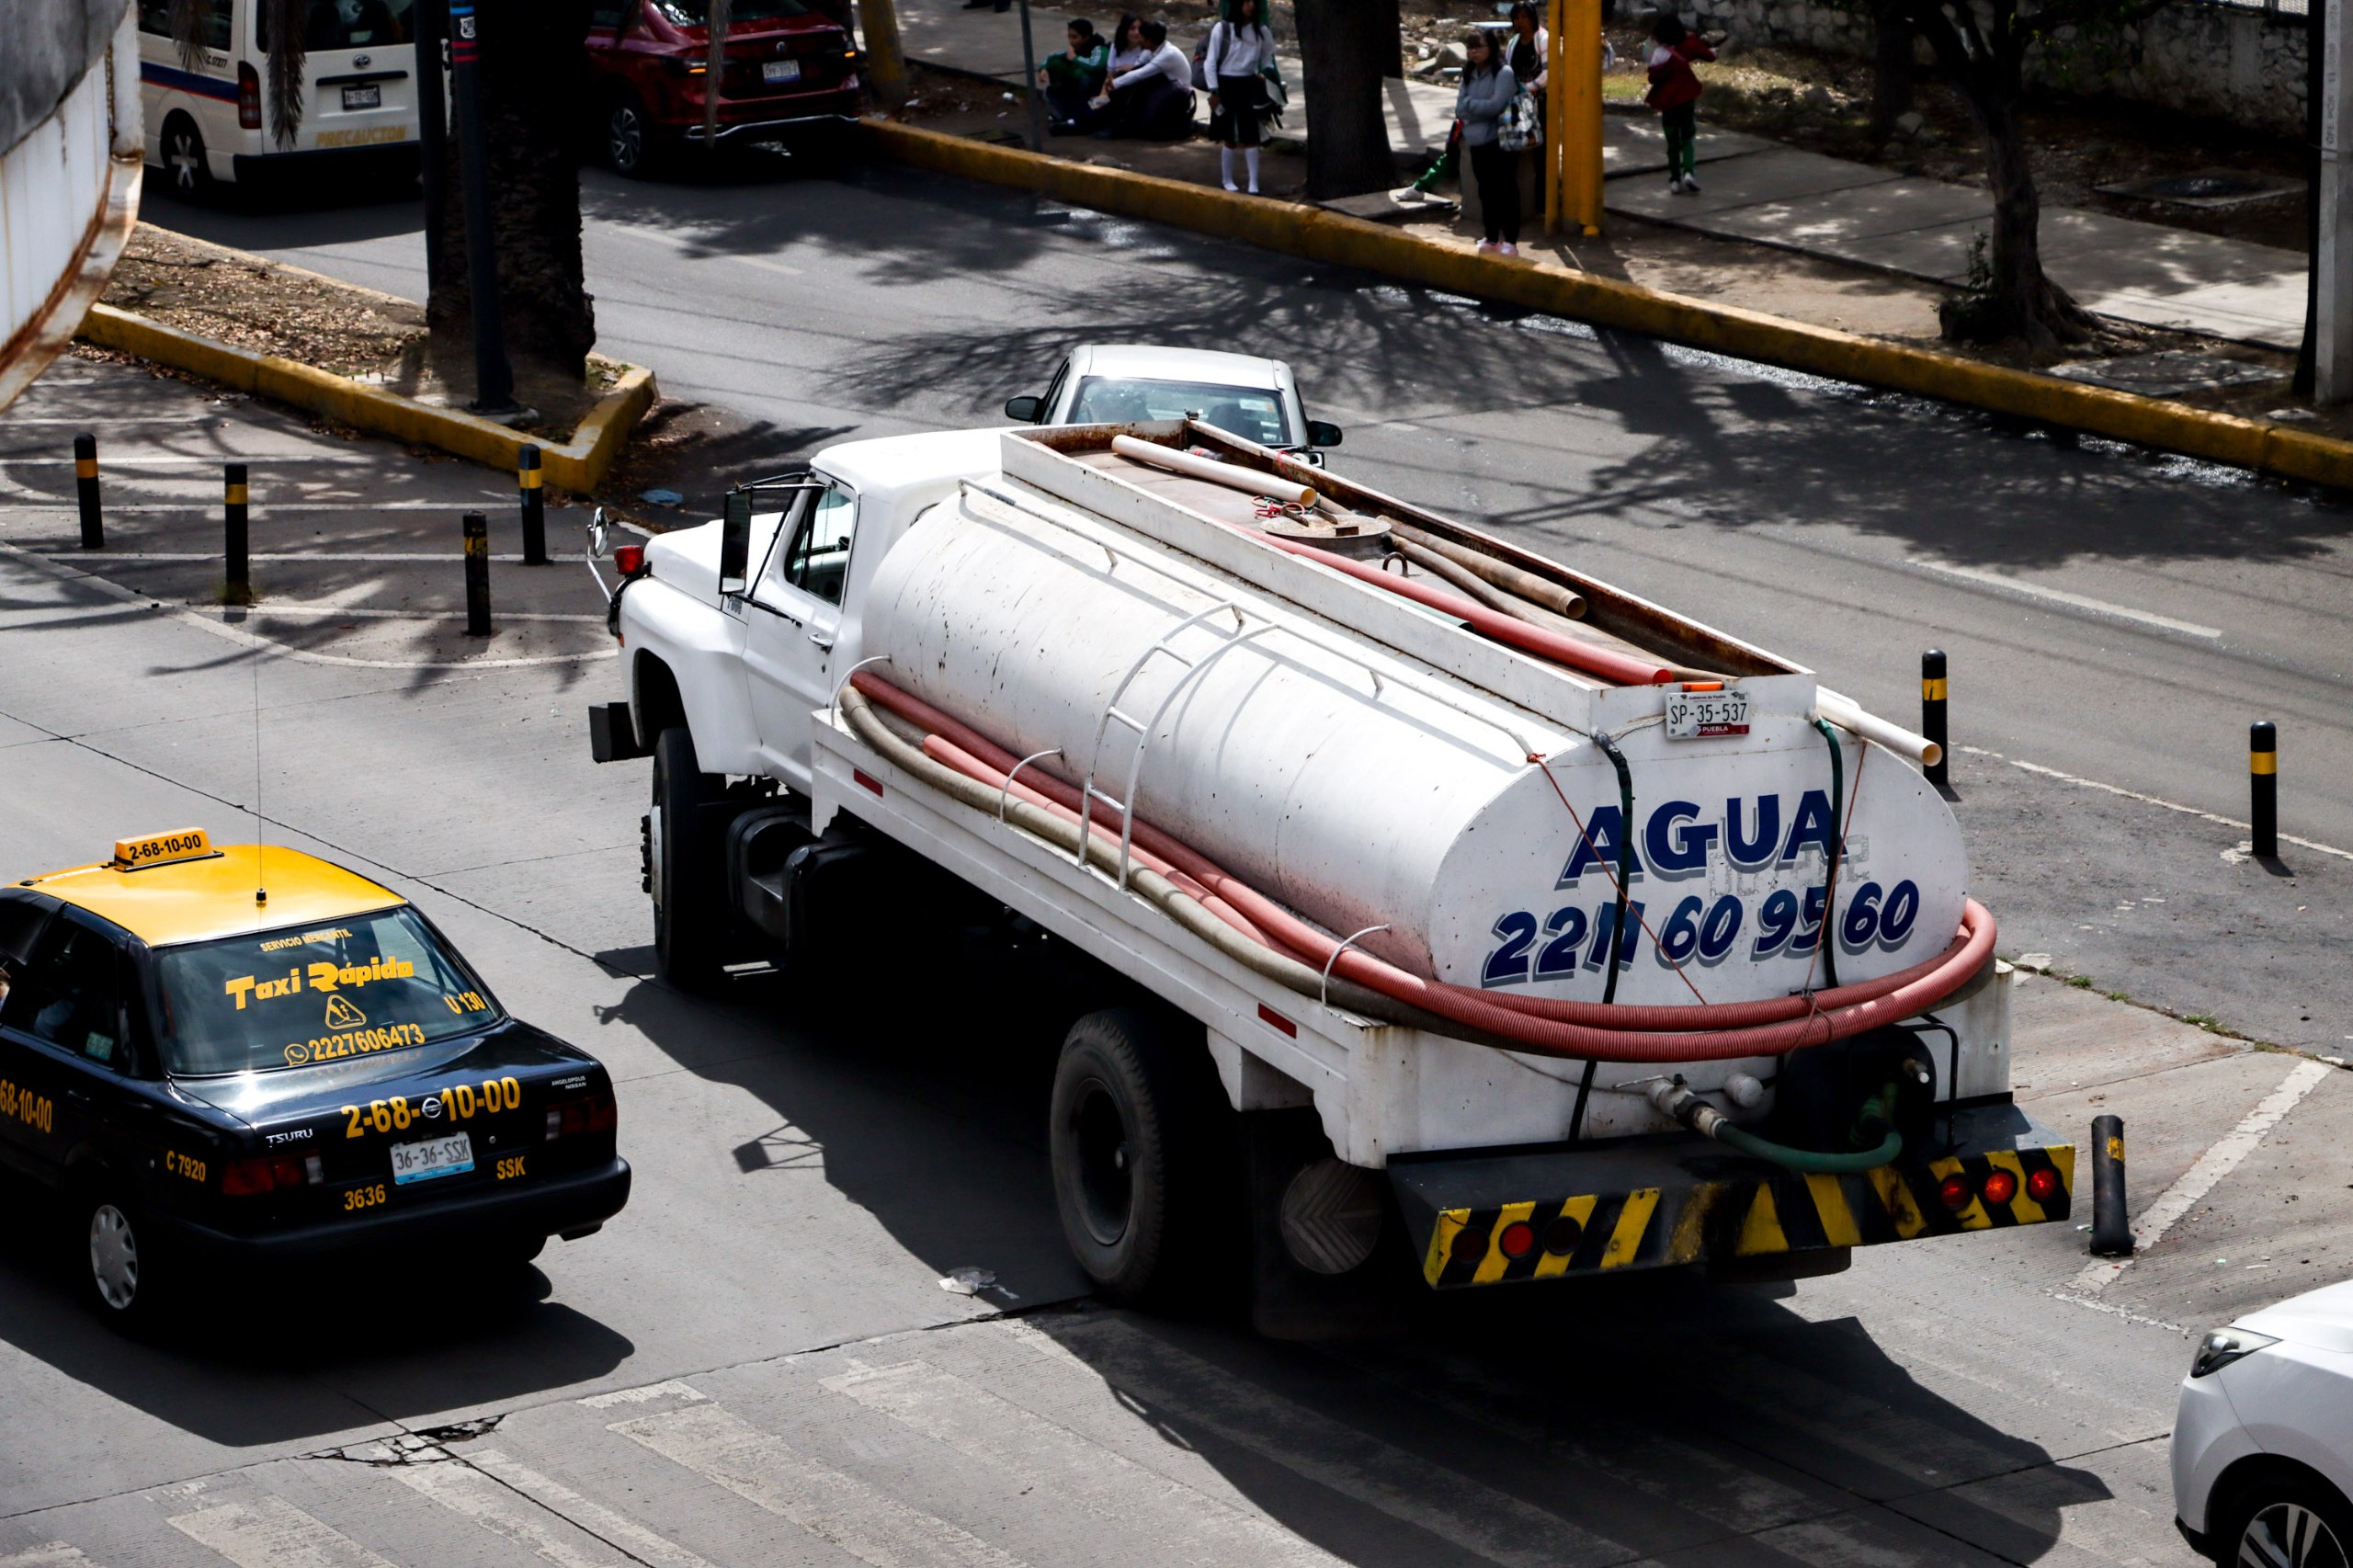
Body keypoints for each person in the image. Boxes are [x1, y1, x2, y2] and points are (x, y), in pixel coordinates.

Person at [1454, 30, 1520, 256]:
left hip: (1499, 142)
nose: (1473, 52)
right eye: (1470, 47)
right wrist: (1476, 106)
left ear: (1491, 47)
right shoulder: (1469, 72)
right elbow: (1459, 108)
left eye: (1478, 47)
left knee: (1506, 190)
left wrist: (1471, 106)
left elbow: (1496, 106)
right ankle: (1491, 238)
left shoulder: (1504, 73)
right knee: (1486, 192)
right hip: (1476, 142)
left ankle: (1510, 241)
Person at [1205, 0, 1276, 193]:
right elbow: (1210, 61)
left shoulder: (1262, 31)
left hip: (1248, 84)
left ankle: (1254, 183)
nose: (1250, 5)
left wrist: (1266, 75)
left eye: (1253, 1)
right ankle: (1227, 179)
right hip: (1226, 84)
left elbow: (1267, 59)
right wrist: (1214, 90)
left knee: (1251, 134)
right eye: (1245, 1)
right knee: (1229, 136)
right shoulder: (1223, 28)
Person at [1090, 19, 1194, 140]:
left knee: (1130, 84)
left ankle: (1117, 126)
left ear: (1149, 40)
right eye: (1132, 29)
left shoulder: (1166, 53)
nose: (1138, 37)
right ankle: (1096, 115)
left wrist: (1114, 84)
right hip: (1158, 88)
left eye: (1141, 35)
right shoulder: (1117, 47)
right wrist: (1106, 92)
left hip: (1174, 94)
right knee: (1124, 80)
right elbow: (1120, 73)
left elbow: (1138, 74)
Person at [1646, 12, 1715, 194]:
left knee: (1672, 142)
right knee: (1688, 137)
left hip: (1668, 102)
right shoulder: (1688, 46)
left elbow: (1652, 77)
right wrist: (1693, 38)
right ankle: (1689, 173)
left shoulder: (1659, 54)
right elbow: (1710, 56)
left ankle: (1674, 180)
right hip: (1686, 98)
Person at [1039, 19, 1108, 132]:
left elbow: (1094, 65)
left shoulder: (1099, 49)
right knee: (1051, 91)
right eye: (1069, 37)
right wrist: (1043, 68)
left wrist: (1075, 59)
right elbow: (1053, 57)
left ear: (1086, 37)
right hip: (1081, 97)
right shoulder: (1077, 50)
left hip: (1101, 97)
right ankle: (1068, 119)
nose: (1071, 41)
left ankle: (1080, 122)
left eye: (1075, 37)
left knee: (1084, 78)